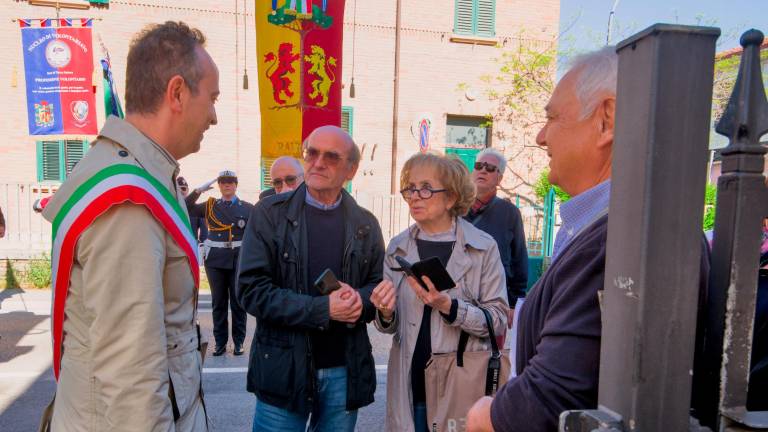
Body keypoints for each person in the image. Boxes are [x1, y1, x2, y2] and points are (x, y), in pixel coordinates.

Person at [40, 21, 217, 430]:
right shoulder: (127, 200)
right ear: (177, 93)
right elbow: (131, 375)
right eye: (211, 98)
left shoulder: (141, 175)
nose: (213, 116)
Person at [465, 46, 618, 432]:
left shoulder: (617, 237)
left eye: (551, 118)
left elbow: (553, 398)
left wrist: (484, 415)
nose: (540, 136)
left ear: (607, 121)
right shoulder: (590, 225)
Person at [237, 125, 384, 432]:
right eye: (311, 153)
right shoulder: (269, 214)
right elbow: (251, 290)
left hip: (345, 371)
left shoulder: (366, 224)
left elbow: (376, 287)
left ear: (351, 169)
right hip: (283, 370)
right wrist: (323, 309)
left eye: (331, 156)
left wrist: (362, 302)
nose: (318, 162)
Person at [370, 152, 508, 432]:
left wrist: (450, 307)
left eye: (426, 188)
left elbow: (498, 320)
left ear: (452, 198)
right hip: (408, 388)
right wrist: (384, 313)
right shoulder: (397, 248)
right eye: (410, 188)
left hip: (459, 387)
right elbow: (388, 327)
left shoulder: (482, 247)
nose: (415, 196)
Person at [186, 170, 253, 356]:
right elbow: (185, 206)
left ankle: (238, 342)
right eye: (223, 182)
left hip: (239, 257)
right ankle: (220, 343)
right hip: (215, 259)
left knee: (238, 303)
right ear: (219, 185)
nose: (227, 184)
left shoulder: (247, 208)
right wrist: (198, 190)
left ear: (236, 185)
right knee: (219, 303)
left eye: (231, 181)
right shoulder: (210, 206)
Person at [465, 148, 528, 332]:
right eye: (479, 166)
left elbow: (519, 259)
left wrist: (515, 303)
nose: (483, 170)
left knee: (489, 358)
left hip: (495, 301)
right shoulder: (454, 209)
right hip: (459, 301)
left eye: (491, 168)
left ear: (499, 179)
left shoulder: (510, 213)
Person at [178, 175, 207, 243]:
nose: (181, 191)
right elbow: (183, 207)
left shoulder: (197, 209)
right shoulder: (171, 207)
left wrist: (202, 246)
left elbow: (204, 235)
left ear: (187, 190)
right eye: (178, 189)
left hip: (192, 246)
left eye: (183, 189)